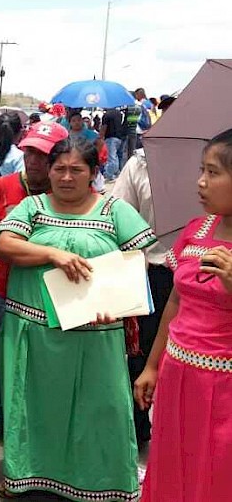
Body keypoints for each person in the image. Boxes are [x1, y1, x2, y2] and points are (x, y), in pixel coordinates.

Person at [0, 138, 155, 501]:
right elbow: (6, 245)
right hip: (33, 331)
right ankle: (31, 474)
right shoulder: (32, 207)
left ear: (94, 173)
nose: (66, 177)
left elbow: (138, 261)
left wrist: (118, 301)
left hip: (96, 331)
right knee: (34, 406)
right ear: (49, 171)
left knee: (99, 409)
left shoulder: (115, 210)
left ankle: (99, 480)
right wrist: (53, 253)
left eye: (76, 170)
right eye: (59, 169)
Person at [134, 129, 232, 502]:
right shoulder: (197, 229)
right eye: (201, 170)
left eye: (213, 172)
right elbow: (176, 301)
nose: (201, 182)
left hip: (224, 388)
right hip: (178, 374)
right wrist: (153, 366)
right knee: (175, 464)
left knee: (218, 473)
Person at [0, 121, 68, 443]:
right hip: (3, 289)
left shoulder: (67, 193)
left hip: (50, 293)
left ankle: (33, 420)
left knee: (41, 361)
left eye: (43, 156)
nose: (34, 161)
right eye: (30, 153)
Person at [111, 96, 177, 445]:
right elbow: (120, 212)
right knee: (142, 357)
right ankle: (139, 428)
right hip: (152, 271)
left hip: (209, 277)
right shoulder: (140, 163)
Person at [100, 107, 125, 181]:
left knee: (111, 157)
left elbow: (104, 127)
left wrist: (101, 137)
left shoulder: (106, 115)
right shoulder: (119, 113)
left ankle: (109, 174)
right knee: (116, 157)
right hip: (119, 137)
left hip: (110, 137)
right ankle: (116, 173)